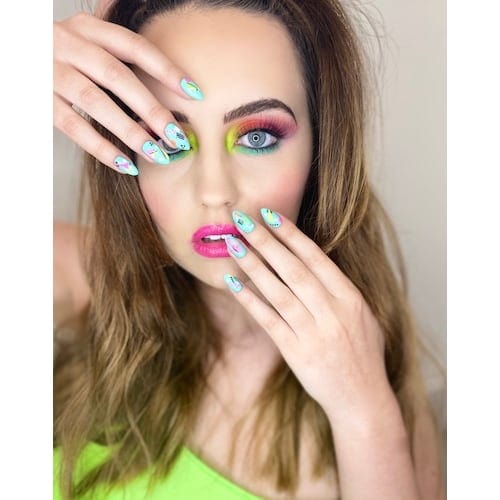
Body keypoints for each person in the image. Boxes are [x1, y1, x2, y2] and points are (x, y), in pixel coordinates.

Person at [53, 0, 445, 499]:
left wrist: (364, 415)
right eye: (169, 141)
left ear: (322, 150)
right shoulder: (76, 279)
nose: (215, 191)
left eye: (257, 138)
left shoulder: (377, 390)